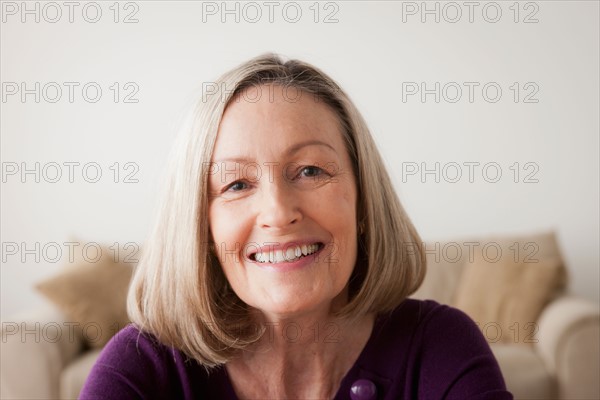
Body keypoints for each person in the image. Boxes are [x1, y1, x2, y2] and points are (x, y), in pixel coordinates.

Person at [80, 53, 512, 399]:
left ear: (364, 200)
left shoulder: (439, 345)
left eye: (309, 171)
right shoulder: (142, 367)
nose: (278, 211)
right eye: (237, 184)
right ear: (201, 228)